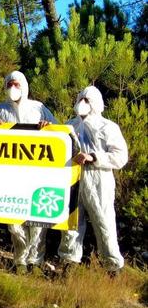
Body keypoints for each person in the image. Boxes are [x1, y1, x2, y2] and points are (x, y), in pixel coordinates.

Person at [0, 71, 57, 274]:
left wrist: (48, 127)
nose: (13, 88)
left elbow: (57, 133)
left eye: (17, 84)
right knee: (13, 220)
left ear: (24, 86)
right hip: (10, 173)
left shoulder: (39, 108)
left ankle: (35, 262)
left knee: (37, 220)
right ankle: (20, 261)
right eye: (9, 84)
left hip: (36, 171)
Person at [58, 86, 128, 274]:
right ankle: (69, 264)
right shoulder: (69, 125)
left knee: (104, 222)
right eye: (81, 98)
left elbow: (120, 156)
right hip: (73, 180)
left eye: (87, 100)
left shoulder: (108, 127)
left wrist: (93, 157)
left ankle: (113, 268)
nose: (82, 103)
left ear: (96, 103)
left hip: (99, 182)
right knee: (71, 223)